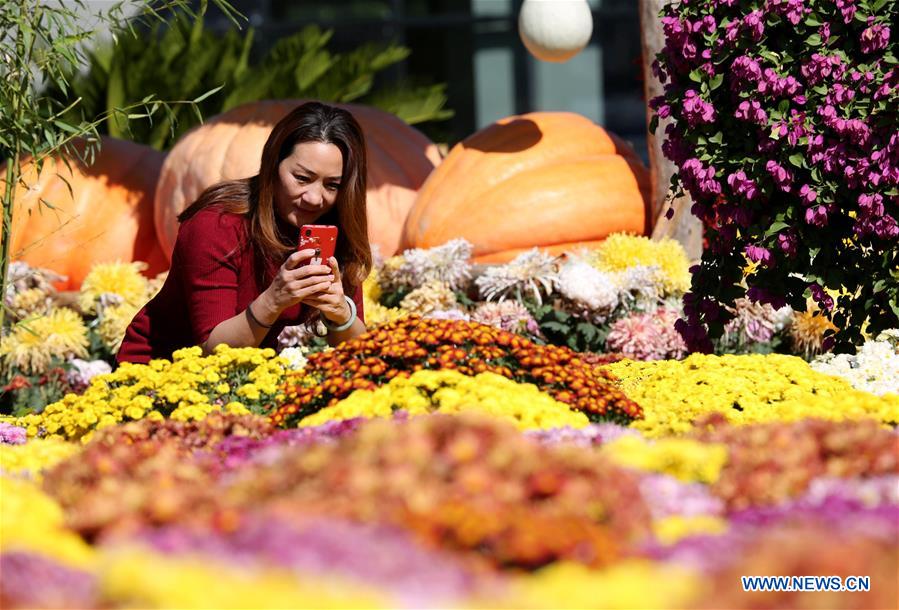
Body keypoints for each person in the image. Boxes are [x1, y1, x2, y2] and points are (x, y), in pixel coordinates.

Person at [116, 101, 371, 365]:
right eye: (302, 178)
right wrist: (273, 300)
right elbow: (214, 351)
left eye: (332, 185)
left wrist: (341, 313)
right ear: (273, 164)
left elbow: (359, 355)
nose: (314, 198)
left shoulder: (333, 228)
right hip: (159, 370)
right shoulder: (218, 225)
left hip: (247, 373)